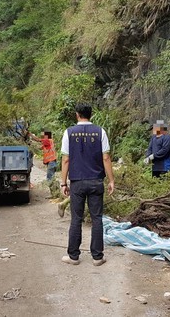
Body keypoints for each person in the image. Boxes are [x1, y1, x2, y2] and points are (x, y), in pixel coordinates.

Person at [60, 103, 115, 266]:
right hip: (96, 181)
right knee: (97, 218)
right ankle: (97, 257)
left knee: (76, 218)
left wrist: (63, 183)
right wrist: (111, 180)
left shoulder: (68, 133)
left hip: (77, 182)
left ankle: (73, 256)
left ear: (77, 115)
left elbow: (66, 159)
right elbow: (106, 158)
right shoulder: (100, 132)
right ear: (91, 115)